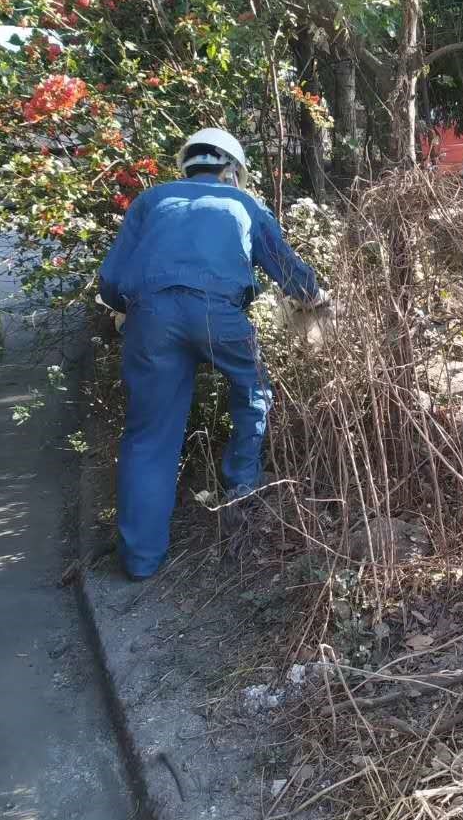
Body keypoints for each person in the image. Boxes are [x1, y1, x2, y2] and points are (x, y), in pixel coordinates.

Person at [97, 128, 328, 580]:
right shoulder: (244, 204)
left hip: (151, 319)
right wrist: (314, 296)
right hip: (219, 315)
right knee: (253, 390)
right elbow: (288, 271)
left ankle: (140, 562)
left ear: (186, 166)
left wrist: (139, 308)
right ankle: (241, 486)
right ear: (232, 170)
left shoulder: (151, 201)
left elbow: (110, 283)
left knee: (149, 439)